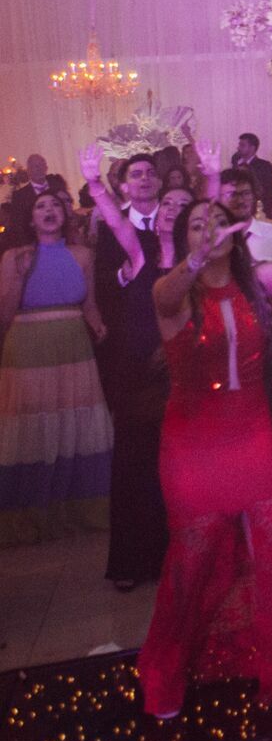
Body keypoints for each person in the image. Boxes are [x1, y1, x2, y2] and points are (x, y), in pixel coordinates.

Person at [136, 199, 272, 718]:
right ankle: (165, 671)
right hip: (193, 444)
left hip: (253, 436)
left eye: (216, 220)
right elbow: (163, 294)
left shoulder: (257, 284)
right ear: (185, 240)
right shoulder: (176, 295)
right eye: (196, 225)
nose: (208, 230)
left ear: (237, 228)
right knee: (192, 562)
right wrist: (195, 261)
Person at [0, 188, 112, 544]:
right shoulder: (13, 256)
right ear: (30, 218)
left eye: (54, 205)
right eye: (40, 206)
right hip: (29, 347)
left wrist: (97, 324)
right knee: (32, 428)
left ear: (65, 214)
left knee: (75, 425)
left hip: (74, 346)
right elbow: (4, 312)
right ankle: (31, 512)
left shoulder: (83, 254)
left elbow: (90, 304)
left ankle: (79, 508)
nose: (48, 210)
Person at [91, 151, 172, 588]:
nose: (143, 179)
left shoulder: (176, 219)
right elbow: (100, 283)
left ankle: (176, 555)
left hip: (176, 353)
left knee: (176, 454)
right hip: (132, 353)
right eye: (134, 174)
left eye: (149, 173)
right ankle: (130, 561)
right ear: (122, 186)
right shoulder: (109, 227)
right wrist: (123, 275)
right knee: (134, 458)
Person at [220, 166, 272, 265]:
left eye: (246, 193)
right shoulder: (211, 242)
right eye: (232, 194)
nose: (240, 200)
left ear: (254, 196)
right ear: (218, 198)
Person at [6, 154, 68, 238]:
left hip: (62, 237)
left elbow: (68, 211)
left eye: (41, 165)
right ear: (28, 171)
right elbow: (17, 226)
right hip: (34, 242)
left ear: (46, 168)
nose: (39, 169)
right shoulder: (19, 196)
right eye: (35, 166)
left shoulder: (57, 185)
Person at [231, 133, 272, 218]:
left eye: (242, 145)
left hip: (258, 210)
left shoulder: (264, 166)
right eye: (239, 145)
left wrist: (265, 212)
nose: (238, 148)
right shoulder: (236, 164)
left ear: (252, 148)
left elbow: (269, 193)